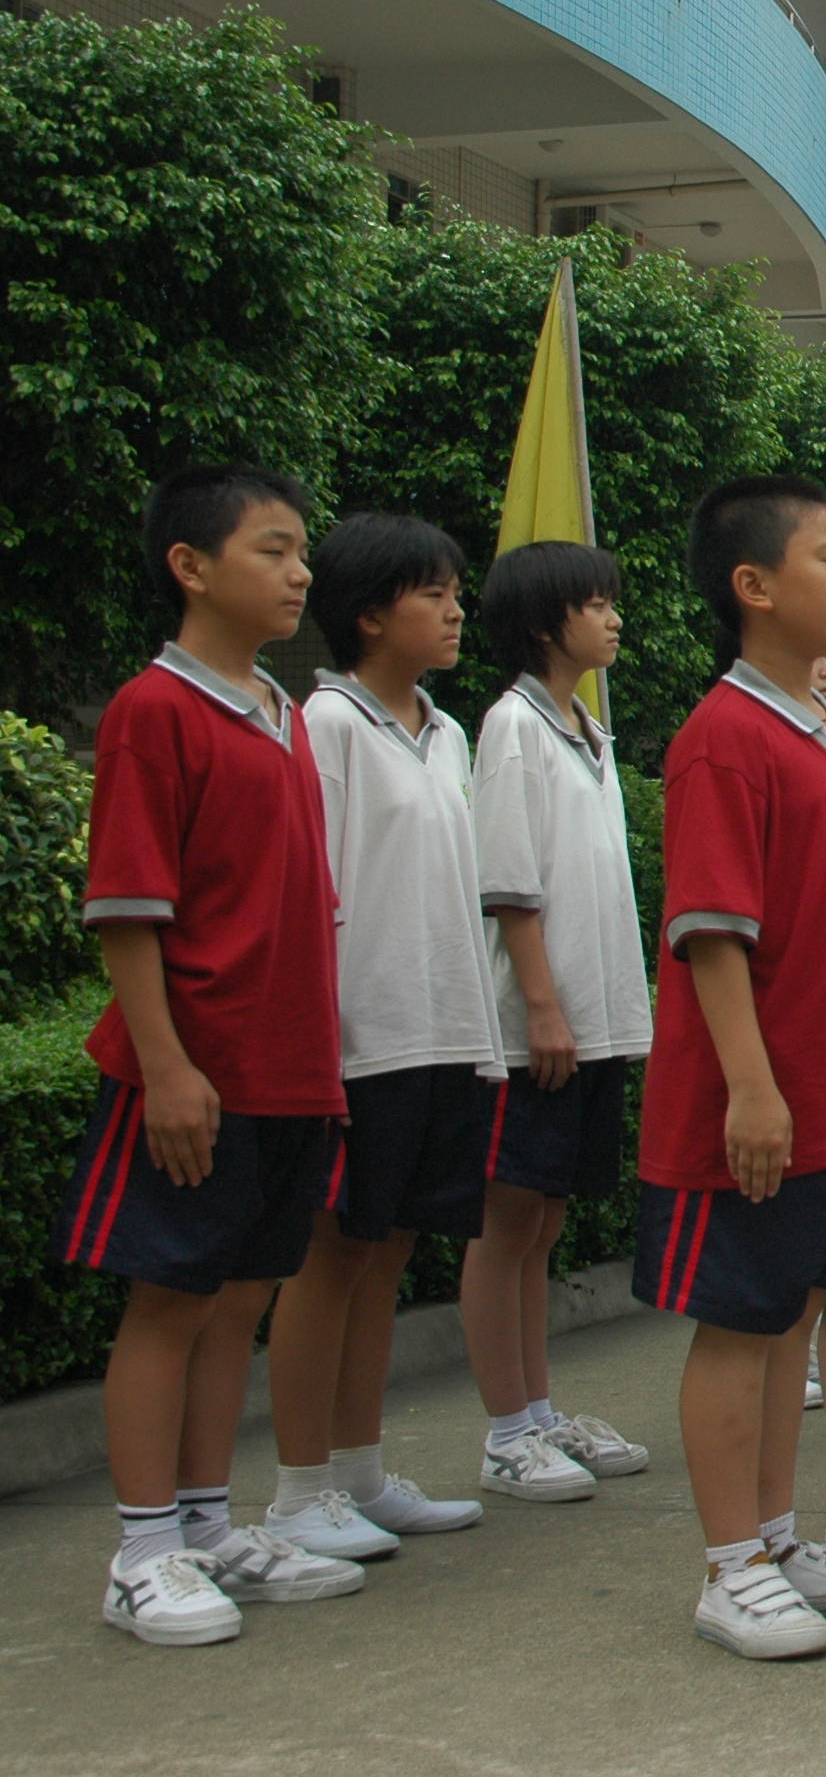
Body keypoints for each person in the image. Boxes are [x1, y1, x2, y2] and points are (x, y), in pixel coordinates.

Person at [65, 465, 364, 1645]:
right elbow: (129, 907)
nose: (299, 573)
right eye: (273, 549)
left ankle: (205, 1522)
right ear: (191, 565)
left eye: (302, 554)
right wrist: (167, 1063)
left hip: (288, 1070)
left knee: (238, 1294)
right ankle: (141, 1549)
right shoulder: (158, 709)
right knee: (168, 1299)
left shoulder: (278, 710)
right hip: (196, 1066)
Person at [635, 475, 826, 1659]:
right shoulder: (723, 739)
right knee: (740, 1325)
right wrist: (752, 1084)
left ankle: (774, 1534)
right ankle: (726, 1565)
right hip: (758, 1100)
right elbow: (712, 928)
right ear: (753, 586)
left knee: (793, 1316)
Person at [267, 515, 503, 1556]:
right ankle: (295, 1487)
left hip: (443, 1029)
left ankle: (359, 1473)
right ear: (369, 613)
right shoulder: (324, 725)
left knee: (389, 1250)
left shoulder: (443, 731)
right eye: (433, 593)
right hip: (366, 1035)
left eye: (457, 591)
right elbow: (309, 888)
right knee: (330, 1255)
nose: (456, 609)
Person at [462, 541, 654, 1501]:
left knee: (544, 1222)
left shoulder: (586, 728)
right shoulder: (513, 727)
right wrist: (539, 1005)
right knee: (505, 1223)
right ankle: (506, 1431)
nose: (614, 617)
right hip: (538, 1025)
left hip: (597, 1019)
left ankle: (540, 1412)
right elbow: (509, 883)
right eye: (596, 602)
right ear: (546, 622)